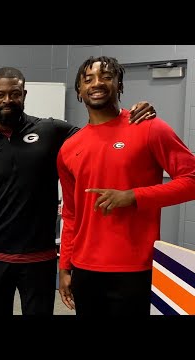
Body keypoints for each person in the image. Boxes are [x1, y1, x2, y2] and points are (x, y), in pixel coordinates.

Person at [0, 66, 156, 315]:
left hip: (39, 258)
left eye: (15, 93)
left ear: (24, 94)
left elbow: (100, 131)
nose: (8, 100)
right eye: (0, 94)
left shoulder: (50, 131)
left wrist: (131, 117)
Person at [57, 56, 195, 317]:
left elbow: (192, 180)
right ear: (79, 90)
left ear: (119, 85)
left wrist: (134, 196)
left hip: (135, 269)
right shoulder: (68, 148)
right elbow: (72, 214)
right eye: (88, 80)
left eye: (106, 77)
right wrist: (65, 267)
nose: (97, 83)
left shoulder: (149, 127)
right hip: (85, 269)